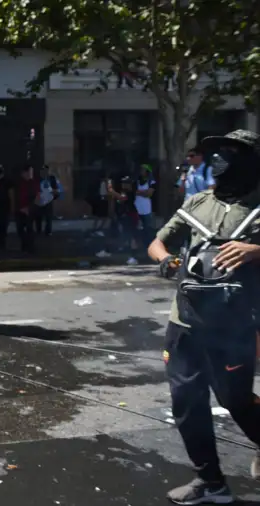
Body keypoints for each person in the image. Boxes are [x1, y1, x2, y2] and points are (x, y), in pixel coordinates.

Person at [147, 130, 260, 505]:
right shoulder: (197, 202)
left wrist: (254, 249)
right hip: (185, 322)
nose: (219, 160)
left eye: (231, 153)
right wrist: (164, 259)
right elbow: (157, 242)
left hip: (235, 323)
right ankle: (210, 482)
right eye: (216, 153)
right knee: (186, 401)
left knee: (236, 400)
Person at [14, 165, 39, 254]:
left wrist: (29, 208)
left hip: (30, 210)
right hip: (20, 209)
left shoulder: (33, 183)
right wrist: (20, 208)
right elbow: (16, 196)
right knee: (20, 229)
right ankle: (24, 246)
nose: (30, 174)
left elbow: (36, 197)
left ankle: (30, 248)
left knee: (29, 228)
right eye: (29, 172)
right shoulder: (19, 183)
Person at [33, 164, 61, 236]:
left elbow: (56, 189)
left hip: (48, 200)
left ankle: (48, 231)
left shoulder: (51, 178)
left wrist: (52, 191)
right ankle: (39, 230)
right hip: (39, 200)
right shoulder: (37, 179)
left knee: (48, 217)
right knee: (38, 217)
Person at [134, 163, 157, 248]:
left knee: (148, 228)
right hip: (137, 207)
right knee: (138, 228)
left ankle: (149, 246)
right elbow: (133, 191)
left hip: (147, 209)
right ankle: (139, 246)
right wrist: (143, 192)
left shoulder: (152, 181)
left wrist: (139, 192)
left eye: (143, 169)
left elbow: (149, 194)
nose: (142, 171)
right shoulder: (136, 181)